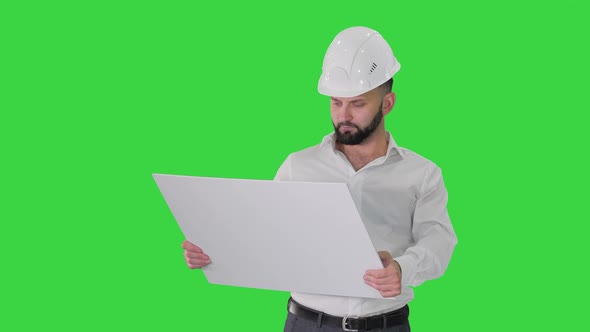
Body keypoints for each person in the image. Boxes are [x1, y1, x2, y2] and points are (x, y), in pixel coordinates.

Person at [182, 26, 457, 331]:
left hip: (386, 325)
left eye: (357, 103)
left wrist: (403, 269)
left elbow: (440, 241)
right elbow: (263, 235)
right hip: (306, 322)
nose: (344, 115)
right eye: (336, 102)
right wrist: (213, 253)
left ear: (388, 103)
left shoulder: (421, 174)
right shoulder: (298, 166)